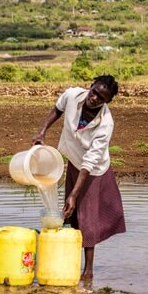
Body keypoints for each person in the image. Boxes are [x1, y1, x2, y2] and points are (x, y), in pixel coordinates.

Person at [32, 75, 125, 280]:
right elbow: (58, 108)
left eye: (101, 98)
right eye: (94, 93)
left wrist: (74, 194)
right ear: (90, 87)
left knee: (87, 218)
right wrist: (42, 131)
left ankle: (88, 271)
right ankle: (67, 259)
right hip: (74, 161)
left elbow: (90, 162)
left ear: (107, 102)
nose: (95, 99)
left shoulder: (105, 124)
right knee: (71, 215)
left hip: (93, 172)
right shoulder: (73, 95)